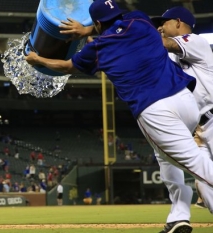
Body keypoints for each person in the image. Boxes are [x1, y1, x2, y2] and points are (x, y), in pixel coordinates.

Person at [25, 0, 213, 229]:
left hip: (155, 109)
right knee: (166, 160)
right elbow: (122, 28)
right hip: (186, 101)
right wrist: (89, 30)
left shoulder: (98, 47)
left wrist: (38, 60)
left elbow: (66, 67)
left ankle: (180, 214)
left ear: (96, 23)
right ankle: (178, 216)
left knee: (196, 163)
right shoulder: (141, 20)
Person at [150, 6, 213, 233]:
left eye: (164, 22)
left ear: (178, 23)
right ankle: (179, 220)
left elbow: (166, 43)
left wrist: (145, 36)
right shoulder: (169, 54)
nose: (160, 27)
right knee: (204, 183)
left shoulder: (195, 41)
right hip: (196, 127)